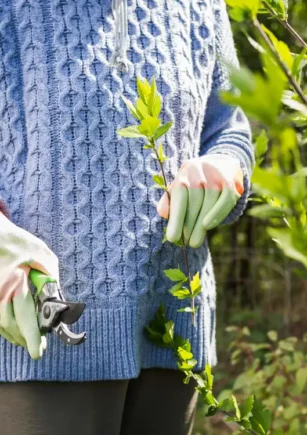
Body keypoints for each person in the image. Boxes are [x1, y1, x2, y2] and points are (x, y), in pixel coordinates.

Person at [0, 0, 254, 434]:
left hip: (173, 328)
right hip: (38, 336)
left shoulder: (203, 6)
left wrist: (227, 169)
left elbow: (229, 125)